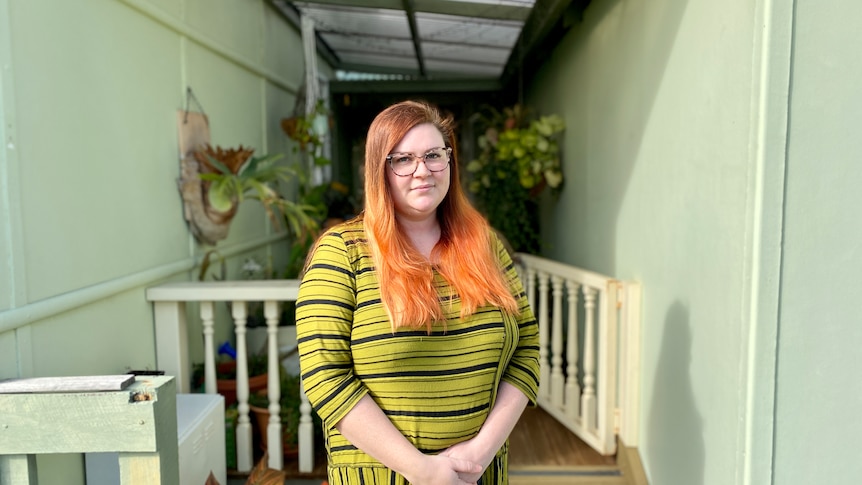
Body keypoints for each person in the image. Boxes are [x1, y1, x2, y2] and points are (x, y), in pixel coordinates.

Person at [296, 100, 540, 485]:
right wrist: (424, 471)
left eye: (433, 155)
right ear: (381, 170)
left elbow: (526, 347)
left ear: (450, 162)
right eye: (403, 159)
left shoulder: (485, 245)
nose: (421, 170)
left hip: (480, 474)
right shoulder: (342, 252)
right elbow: (325, 376)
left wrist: (479, 454)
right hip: (381, 477)